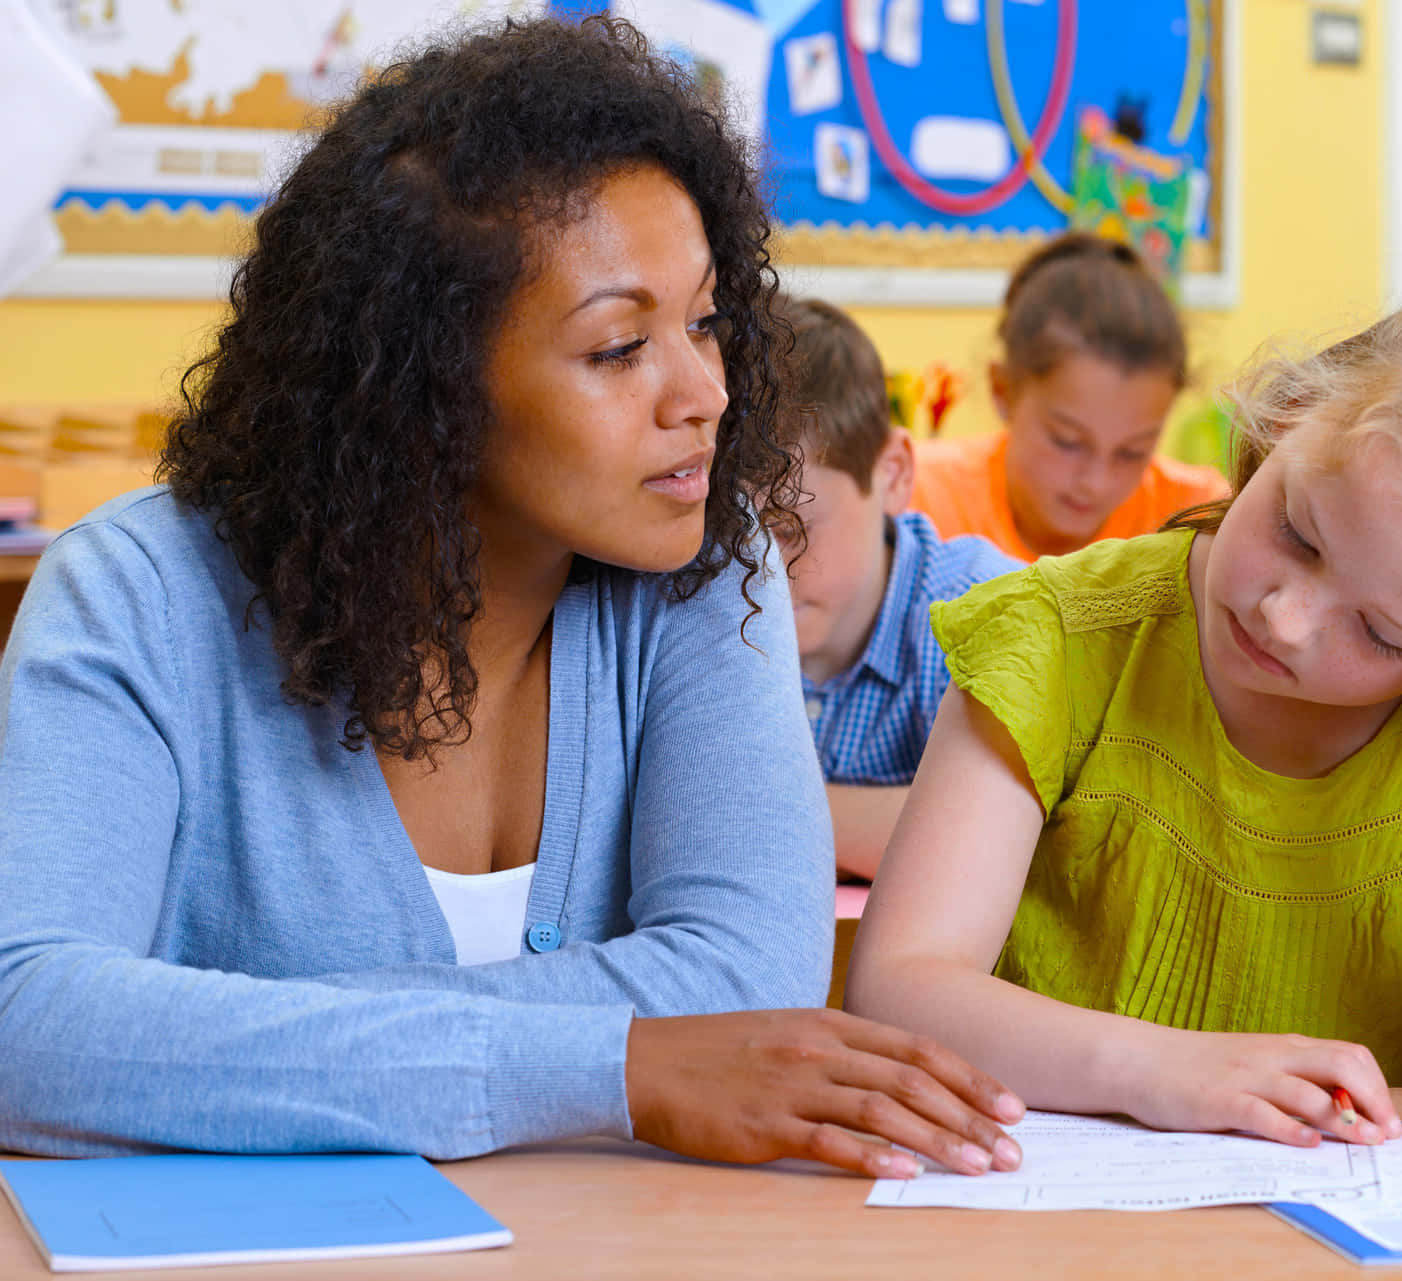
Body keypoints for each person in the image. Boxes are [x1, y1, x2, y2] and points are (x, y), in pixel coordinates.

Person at [0, 18, 1027, 1178]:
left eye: (702, 323)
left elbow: (748, 982)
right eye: (616, 349)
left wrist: (213, 1037)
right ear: (424, 390)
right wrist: (622, 1068)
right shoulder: (131, 600)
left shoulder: (702, 563)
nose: (703, 394)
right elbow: (31, 1030)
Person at [846, 260, 1402, 1143]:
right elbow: (901, 985)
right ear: (1289, 413)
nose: (1285, 619)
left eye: (1385, 634)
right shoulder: (1061, 638)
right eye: (1298, 532)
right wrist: (1166, 1068)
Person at [773, 297, 1019, 879]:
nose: (757, 572)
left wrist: (755, 816)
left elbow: (1004, 838)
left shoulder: (982, 614)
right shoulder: (686, 611)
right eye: (728, 535)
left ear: (893, 475)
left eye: (789, 530)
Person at [909, 233, 1226, 561]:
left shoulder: (1198, 522)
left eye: (1132, 452)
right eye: (1067, 442)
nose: (1096, 483)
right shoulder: (916, 502)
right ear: (1002, 390)